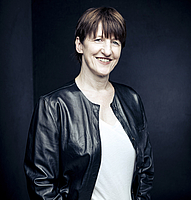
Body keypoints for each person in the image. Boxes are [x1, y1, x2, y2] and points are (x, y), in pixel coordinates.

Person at [24, 7, 154, 200]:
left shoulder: (131, 99)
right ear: (79, 44)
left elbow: (145, 170)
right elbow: (41, 184)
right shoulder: (53, 106)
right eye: (98, 39)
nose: (107, 50)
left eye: (115, 42)